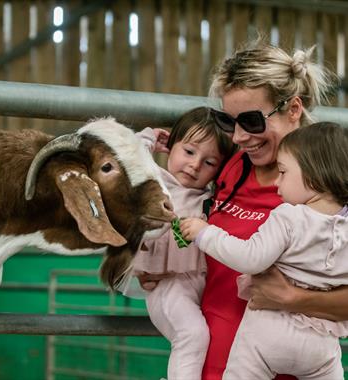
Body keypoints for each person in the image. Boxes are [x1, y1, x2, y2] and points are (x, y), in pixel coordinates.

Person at [137, 39, 343, 380]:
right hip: (209, 365)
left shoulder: (329, 185)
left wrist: (294, 298)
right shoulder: (231, 166)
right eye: (228, 120)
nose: (238, 136)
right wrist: (161, 263)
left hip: (282, 367)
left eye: (250, 120)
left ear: (293, 108)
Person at [180, 122, 348, 379]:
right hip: (322, 347)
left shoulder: (288, 216)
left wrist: (205, 233)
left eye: (283, 172)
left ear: (313, 178)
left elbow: (251, 258)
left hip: (267, 335)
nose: (278, 182)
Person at [121, 107, 235, 380]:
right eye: (189, 151)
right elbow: (124, 157)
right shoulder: (155, 182)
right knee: (192, 335)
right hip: (166, 284)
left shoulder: (209, 196)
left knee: (206, 338)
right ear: (171, 147)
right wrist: (150, 138)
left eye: (209, 162)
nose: (195, 165)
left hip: (199, 284)